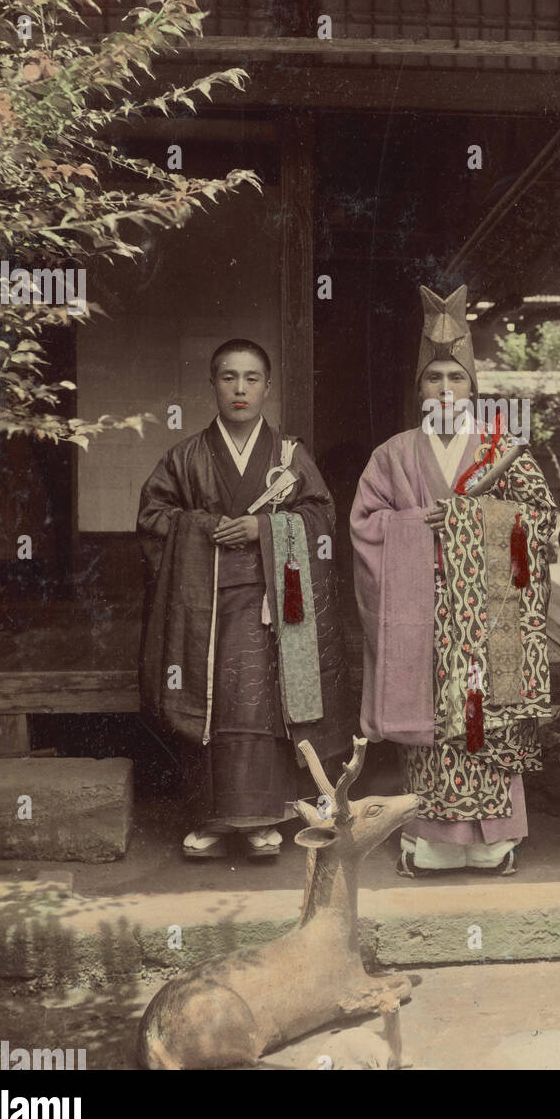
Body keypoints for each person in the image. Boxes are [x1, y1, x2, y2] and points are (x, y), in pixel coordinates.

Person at [350, 285, 557, 876]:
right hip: (419, 611)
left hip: (489, 615)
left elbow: (541, 522)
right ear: (420, 389)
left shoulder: (501, 449)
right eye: (434, 378)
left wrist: (472, 519)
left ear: (474, 387)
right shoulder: (392, 455)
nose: (445, 390)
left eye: (456, 379)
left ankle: (495, 841)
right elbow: (363, 525)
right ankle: (428, 842)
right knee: (434, 729)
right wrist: (417, 524)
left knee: (483, 725)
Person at [137, 339, 351, 860]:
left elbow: (322, 518)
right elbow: (152, 520)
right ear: (212, 384)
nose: (240, 388)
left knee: (262, 709)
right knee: (212, 706)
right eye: (228, 377)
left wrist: (263, 528)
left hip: (273, 606)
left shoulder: (290, 455)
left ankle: (262, 820)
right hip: (203, 609)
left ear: (267, 387)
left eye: (251, 378)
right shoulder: (185, 456)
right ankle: (213, 818)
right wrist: (206, 529)